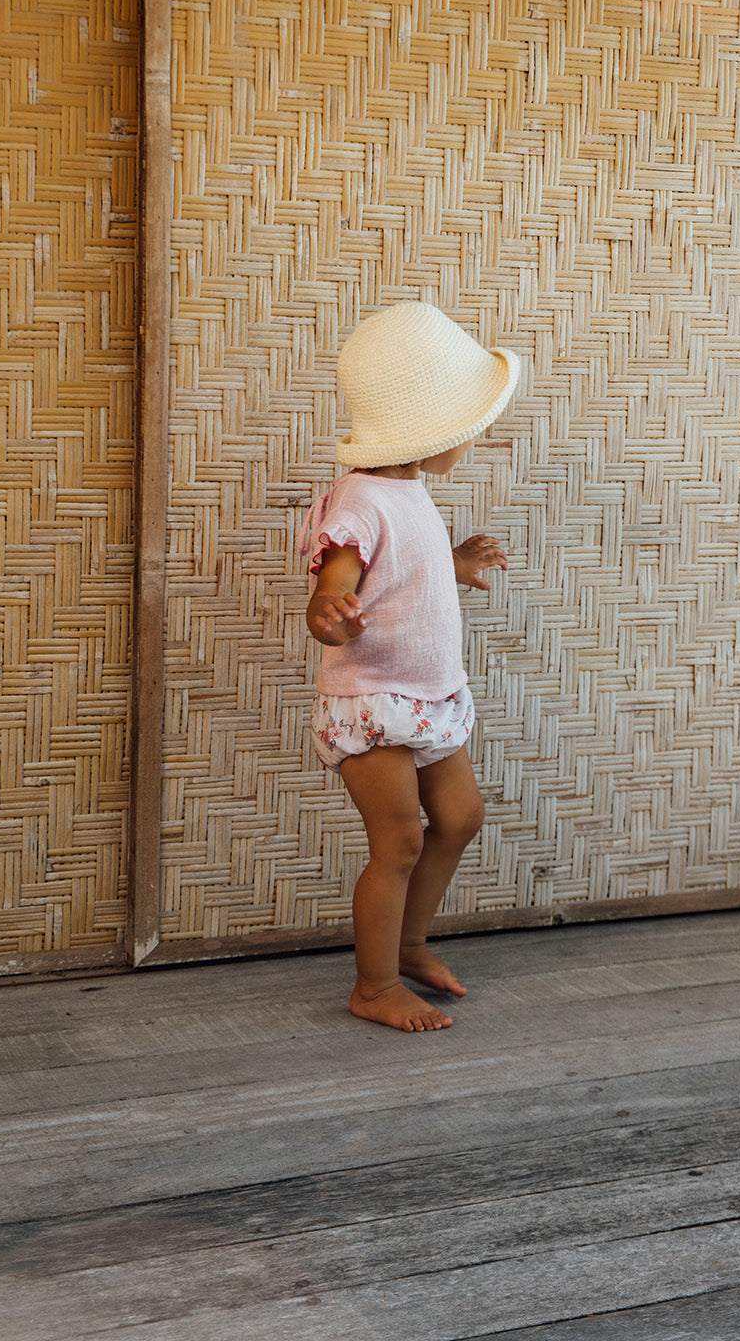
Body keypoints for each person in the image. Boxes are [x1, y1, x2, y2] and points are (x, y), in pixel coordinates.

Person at [301, 302, 520, 1032]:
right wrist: (330, 609)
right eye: (464, 429)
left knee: (460, 818)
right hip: (373, 700)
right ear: (425, 426)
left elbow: (405, 567)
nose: (470, 440)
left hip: (429, 696)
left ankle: (411, 943)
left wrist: (454, 562)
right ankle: (374, 982)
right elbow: (337, 578)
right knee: (398, 841)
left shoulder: (409, 491)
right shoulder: (358, 499)